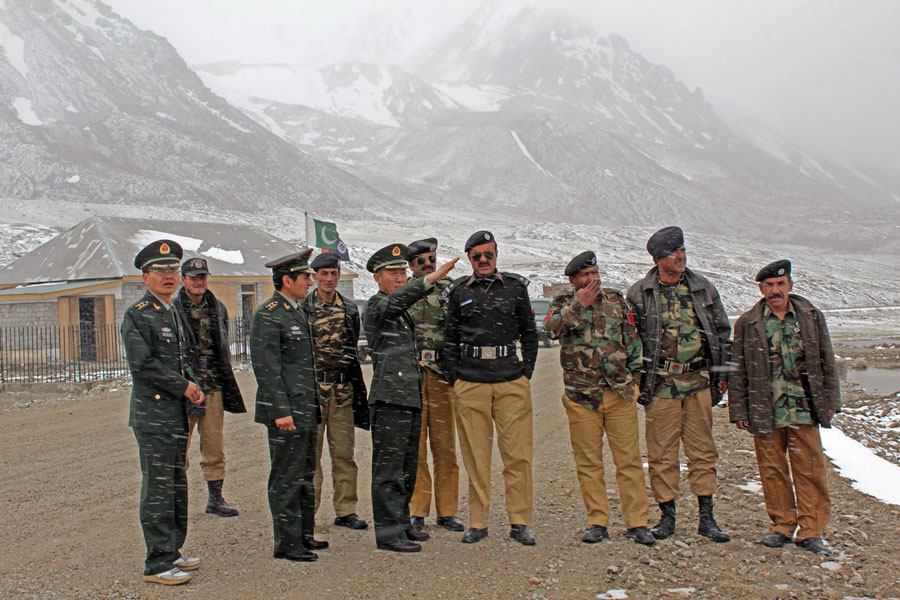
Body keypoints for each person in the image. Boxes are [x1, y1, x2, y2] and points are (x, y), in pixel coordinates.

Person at [626, 226, 731, 543]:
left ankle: (706, 519)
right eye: (674, 252)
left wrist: (723, 374)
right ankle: (667, 517)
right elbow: (632, 341)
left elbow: (722, 331)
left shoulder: (702, 288)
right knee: (661, 454)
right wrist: (636, 382)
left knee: (703, 452)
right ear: (659, 259)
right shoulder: (640, 293)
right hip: (661, 386)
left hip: (698, 382)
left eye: (683, 249)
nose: (681, 256)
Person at [729, 260, 841, 556]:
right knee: (772, 469)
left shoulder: (810, 316)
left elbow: (826, 360)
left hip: (804, 407)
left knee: (810, 469)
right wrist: (738, 409)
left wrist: (831, 401)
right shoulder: (748, 321)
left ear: (790, 285)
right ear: (761, 289)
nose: (775, 291)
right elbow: (738, 369)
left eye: (780, 284)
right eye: (769, 286)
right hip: (766, 409)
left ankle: (811, 530)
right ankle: (781, 525)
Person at [544, 251, 656, 546]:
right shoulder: (562, 304)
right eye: (585, 275)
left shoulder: (615, 301)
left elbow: (632, 340)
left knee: (629, 461)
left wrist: (635, 381)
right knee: (589, 463)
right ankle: (597, 521)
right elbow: (551, 329)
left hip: (618, 394)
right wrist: (578, 306)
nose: (592, 279)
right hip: (582, 397)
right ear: (573, 281)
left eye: (594, 272)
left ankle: (637, 523)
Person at [442, 230, 539, 546]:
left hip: (511, 379)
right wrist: (455, 377)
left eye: (489, 254)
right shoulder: (458, 291)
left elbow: (529, 332)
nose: (483, 261)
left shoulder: (514, 288)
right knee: (476, 456)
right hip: (471, 381)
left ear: (497, 254)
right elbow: (448, 337)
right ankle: (479, 523)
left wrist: (526, 372)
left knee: (518, 455)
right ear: (469, 258)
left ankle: (520, 521)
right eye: (476, 256)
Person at [363, 243, 458, 552]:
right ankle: (390, 534)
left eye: (403, 272)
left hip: (408, 397)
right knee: (388, 470)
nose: (400, 278)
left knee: (405, 468)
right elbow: (397, 301)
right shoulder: (378, 306)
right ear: (377, 278)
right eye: (393, 273)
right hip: (390, 398)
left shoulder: (401, 313)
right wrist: (429, 281)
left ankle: (403, 525)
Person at [122, 240, 204, 585]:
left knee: (175, 485)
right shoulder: (138, 314)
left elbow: (186, 357)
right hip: (153, 414)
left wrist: (193, 385)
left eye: (173, 270)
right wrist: (183, 385)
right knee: (157, 487)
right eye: (161, 271)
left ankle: (172, 550)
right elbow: (143, 365)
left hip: (174, 414)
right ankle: (156, 563)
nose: (168, 276)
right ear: (145, 277)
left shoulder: (170, 310)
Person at [250, 249, 327, 563]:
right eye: (305, 276)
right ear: (286, 280)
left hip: (305, 408)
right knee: (286, 475)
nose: (311, 281)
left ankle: (303, 534)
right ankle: (286, 542)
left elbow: (301, 366)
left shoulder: (295, 310)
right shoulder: (269, 314)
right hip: (287, 413)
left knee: (305, 473)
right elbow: (267, 368)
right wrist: (280, 410)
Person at [174, 257, 246, 518]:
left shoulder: (217, 308)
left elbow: (222, 345)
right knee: (178, 447)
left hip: (212, 384)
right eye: (193, 277)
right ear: (183, 280)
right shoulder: (173, 309)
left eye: (202, 277)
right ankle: (175, 499)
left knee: (214, 445)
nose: (199, 282)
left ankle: (215, 498)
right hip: (185, 387)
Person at [305, 252, 369, 531]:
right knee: (311, 457)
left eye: (333, 273)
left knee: (344, 454)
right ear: (314, 277)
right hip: (314, 391)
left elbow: (352, 350)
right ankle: (309, 511)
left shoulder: (350, 308)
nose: (329, 279)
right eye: (324, 274)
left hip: (342, 390)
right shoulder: (304, 307)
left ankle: (346, 510)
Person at [406, 238, 464, 533]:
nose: (429, 265)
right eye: (421, 262)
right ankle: (417, 510)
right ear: (411, 265)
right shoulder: (403, 292)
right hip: (413, 376)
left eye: (432, 260)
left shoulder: (451, 290)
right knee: (415, 449)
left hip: (442, 375)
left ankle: (448, 511)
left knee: (445, 448)